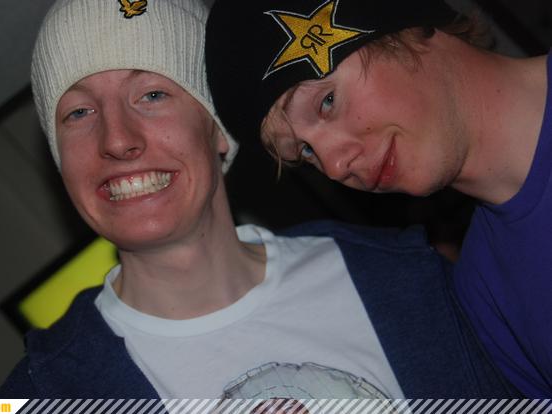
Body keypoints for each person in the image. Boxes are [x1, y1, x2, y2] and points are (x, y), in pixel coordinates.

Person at [0, 0, 518, 399]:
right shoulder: (43, 394)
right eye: (78, 113)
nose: (116, 139)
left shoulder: (407, 276)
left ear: (218, 131)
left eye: (152, 95)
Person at [204, 0, 551, 398]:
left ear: (400, 23)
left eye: (327, 102)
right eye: (306, 152)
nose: (335, 166)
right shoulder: (485, 296)